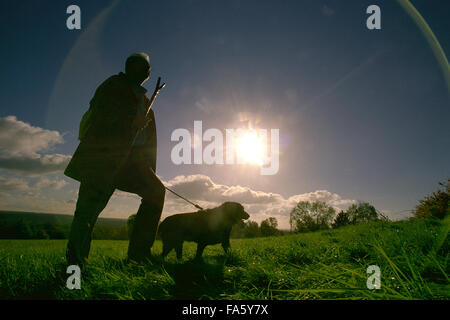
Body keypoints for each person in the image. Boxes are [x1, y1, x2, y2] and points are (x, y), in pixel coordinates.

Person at [64, 53, 166, 265]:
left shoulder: (145, 99)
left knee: (155, 192)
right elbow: (101, 114)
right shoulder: (113, 85)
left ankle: (139, 256)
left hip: (132, 163)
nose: (145, 72)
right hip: (103, 158)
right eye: (140, 67)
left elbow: (148, 139)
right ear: (129, 68)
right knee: (87, 212)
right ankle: (75, 265)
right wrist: (131, 122)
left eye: (146, 69)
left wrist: (147, 165)